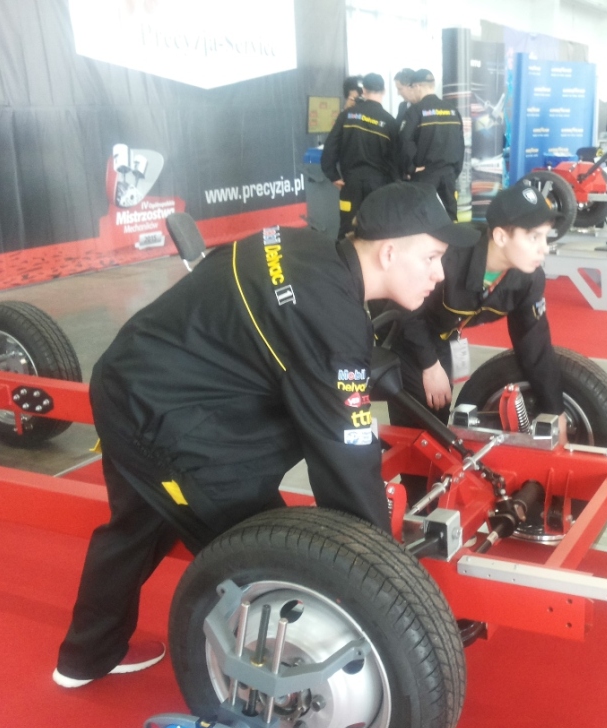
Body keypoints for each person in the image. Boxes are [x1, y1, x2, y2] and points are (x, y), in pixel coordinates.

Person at [52, 183, 480, 688]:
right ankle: (276, 681)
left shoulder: (305, 247)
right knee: (270, 549)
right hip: (159, 414)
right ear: (389, 252)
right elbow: (343, 457)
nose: (439, 273)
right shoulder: (330, 317)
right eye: (431, 257)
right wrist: (384, 584)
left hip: (137, 374)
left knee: (138, 523)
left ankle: (85, 657)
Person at [387, 178, 568, 445]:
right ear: (501, 237)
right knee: (423, 425)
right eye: (533, 237)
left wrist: (555, 411)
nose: (544, 248)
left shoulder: (528, 279)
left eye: (545, 236)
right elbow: (404, 308)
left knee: (439, 417)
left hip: (444, 333)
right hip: (403, 329)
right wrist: (429, 365)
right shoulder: (449, 257)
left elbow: (535, 345)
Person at [321, 73, 399, 238]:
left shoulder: (347, 115)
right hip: (379, 186)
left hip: (351, 183)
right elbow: (396, 159)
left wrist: (332, 175)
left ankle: (346, 255)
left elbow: (330, 147)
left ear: (363, 90)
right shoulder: (391, 122)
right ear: (384, 91)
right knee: (377, 229)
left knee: (347, 228)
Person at [398, 69, 465, 220]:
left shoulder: (415, 111)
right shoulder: (453, 111)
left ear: (417, 86)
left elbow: (404, 141)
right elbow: (461, 145)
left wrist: (410, 168)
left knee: (423, 219)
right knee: (449, 218)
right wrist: (454, 171)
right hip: (449, 176)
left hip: (425, 176)